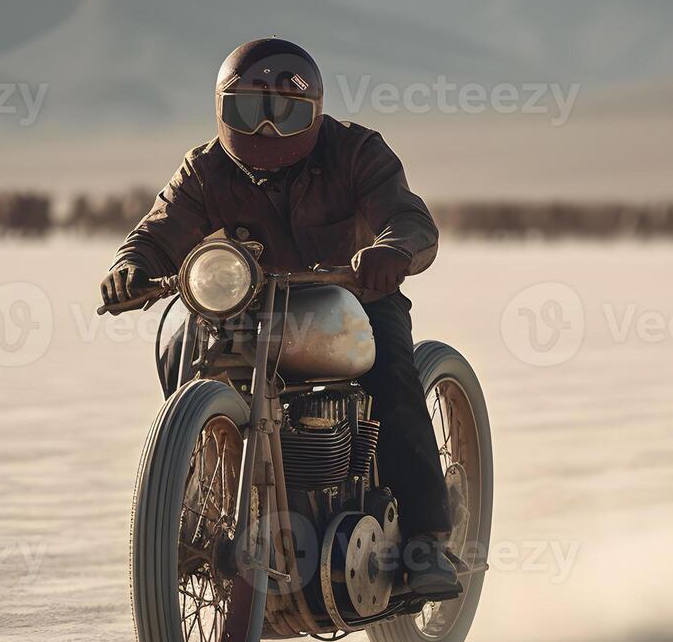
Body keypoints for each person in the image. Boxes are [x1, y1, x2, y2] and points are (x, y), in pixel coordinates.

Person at [100, 37, 460, 599]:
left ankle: (426, 542)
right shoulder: (205, 168)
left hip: (356, 299)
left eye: (286, 113)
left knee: (392, 378)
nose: (266, 129)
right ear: (223, 109)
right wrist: (132, 265)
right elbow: (159, 230)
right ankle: (196, 497)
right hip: (246, 306)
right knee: (183, 351)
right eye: (249, 110)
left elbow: (410, 219)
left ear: (314, 112)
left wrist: (394, 251)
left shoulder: (356, 150)